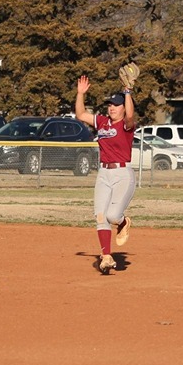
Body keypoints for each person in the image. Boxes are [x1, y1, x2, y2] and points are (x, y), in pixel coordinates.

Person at [75, 75, 137, 274]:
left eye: (116, 105)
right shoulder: (102, 122)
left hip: (122, 174)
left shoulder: (126, 126)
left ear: (123, 107)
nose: (112, 108)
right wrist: (80, 94)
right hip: (104, 172)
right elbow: (81, 114)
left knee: (112, 216)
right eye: (110, 104)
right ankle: (106, 257)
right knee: (100, 216)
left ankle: (124, 221)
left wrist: (127, 93)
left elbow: (129, 116)